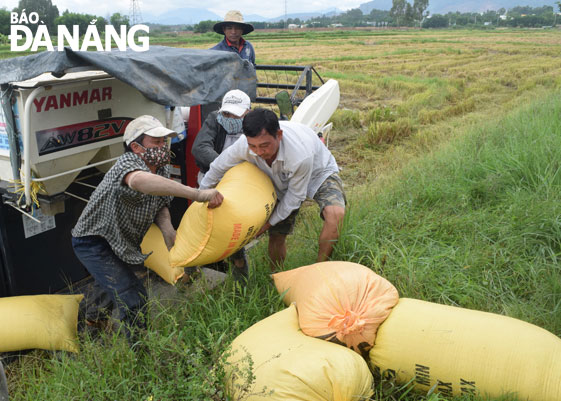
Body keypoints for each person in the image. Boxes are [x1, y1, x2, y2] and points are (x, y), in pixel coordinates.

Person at [72, 115, 223, 341]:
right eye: (157, 142)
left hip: (122, 242)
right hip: (94, 241)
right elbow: (138, 181)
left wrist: (167, 230)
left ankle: (93, 321)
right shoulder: (128, 164)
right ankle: (140, 356)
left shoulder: (160, 169)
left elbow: (159, 202)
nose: (163, 147)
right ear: (136, 146)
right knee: (134, 297)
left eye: (164, 142)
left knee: (112, 283)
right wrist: (198, 194)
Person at [200, 108, 346, 270]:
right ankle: (275, 277)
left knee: (335, 214)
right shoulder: (243, 146)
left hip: (317, 173)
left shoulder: (299, 154)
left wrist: (267, 224)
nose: (259, 152)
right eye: (253, 146)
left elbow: (295, 197)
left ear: (279, 135)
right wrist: (201, 196)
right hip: (275, 178)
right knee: (277, 235)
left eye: (264, 145)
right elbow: (216, 169)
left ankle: (321, 270)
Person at [192, 89, 251, 279]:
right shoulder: (214, 119)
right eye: (226, 113)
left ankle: (240, 280)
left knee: (234, 231)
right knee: (200, 226)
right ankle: (190, 271)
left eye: (236, 114)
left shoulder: (255, 124)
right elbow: (200, 147)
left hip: (239, 185)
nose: (230, 118)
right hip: (211, 179)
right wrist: (223, 166)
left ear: (247, 113)